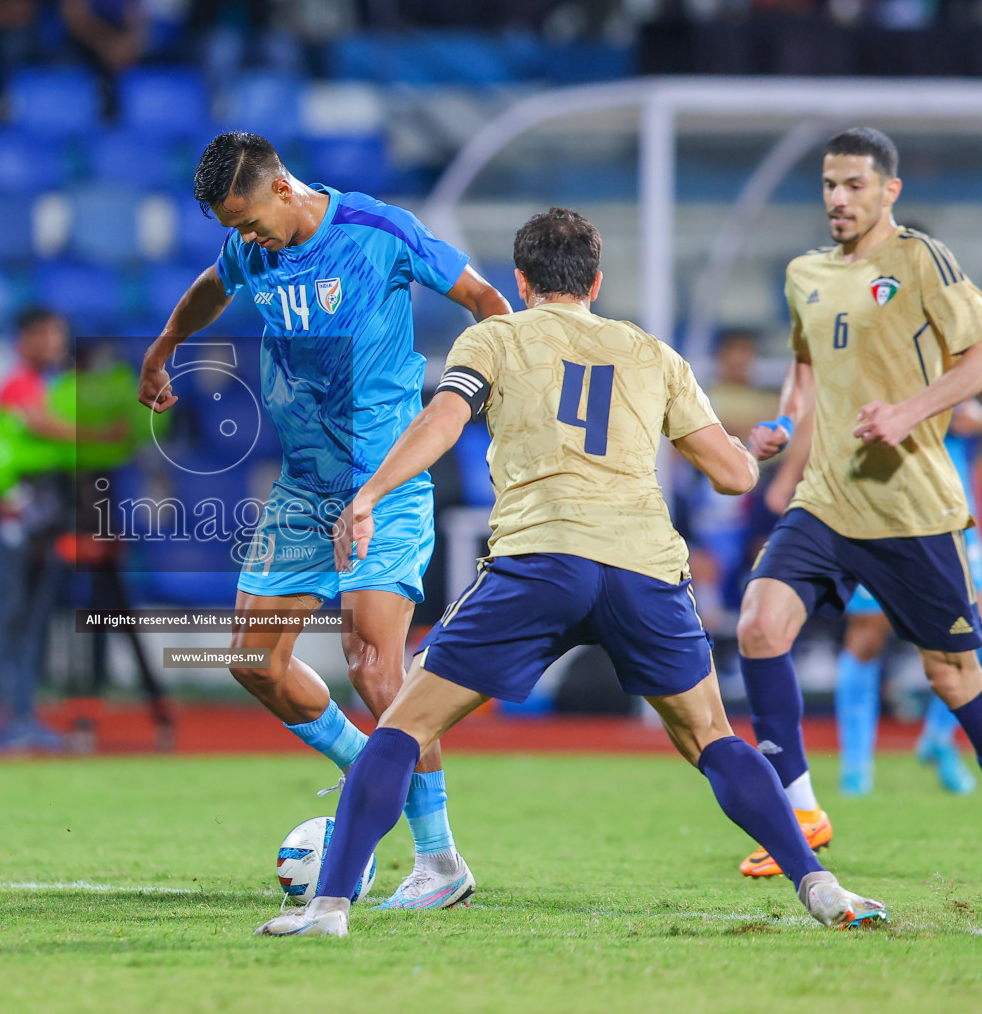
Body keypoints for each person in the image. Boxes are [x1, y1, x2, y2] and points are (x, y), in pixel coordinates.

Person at [256, 208, 886, 938]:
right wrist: (760, 445)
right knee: (713, 739)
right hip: (644, 571)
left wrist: (368, 494)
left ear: (520, 282)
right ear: (596, 280)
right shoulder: (652, 352)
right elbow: (732, 476)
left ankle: (329, 908)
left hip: (541, 563)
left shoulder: (492, 337)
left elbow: (442, 421)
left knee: (403, 726)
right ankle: (820, 886)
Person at [138, 131, 511, 908]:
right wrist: (168, 343)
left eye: (245, 221)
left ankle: (440, 863)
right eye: (229, 228)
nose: (242, 240)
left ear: (281, 188)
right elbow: (213, 283)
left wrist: (494, 395)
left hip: (388, 480)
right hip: (305, 488)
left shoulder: (378, 231)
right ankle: (362, 767)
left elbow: (486, 302)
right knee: (252, 662)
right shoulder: (253, 247)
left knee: (377, 666)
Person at [734, 127, 982, 878]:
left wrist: (908, 412)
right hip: (826, 501)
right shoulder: (804, 272)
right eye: (829, 185)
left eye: (854, 186)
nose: (839, 199)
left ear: (888, 191)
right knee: (758, 625)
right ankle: (802, 811)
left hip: (909, 506)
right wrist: (782, 421)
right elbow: (806, 369)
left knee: (954, 677)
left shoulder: (920, 260)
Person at [773, 400, 982, 797]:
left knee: (971, 632)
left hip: (950, 511)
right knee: (868, 633)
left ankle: (940, 736)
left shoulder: (955, 354)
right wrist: (788, 477)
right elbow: (823, 405)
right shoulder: (869, 355)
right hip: (880, 505)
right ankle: (856, 769)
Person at [0, 308, 90, 756]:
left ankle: (20, 715)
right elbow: (40, 424)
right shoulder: (17, 383)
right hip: (10, 520)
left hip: (40, 523)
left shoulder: (48, 386)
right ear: (24, 338)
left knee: (31, 620)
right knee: (10, 616)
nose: (55, 343)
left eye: (59, 335)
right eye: (46, 334)